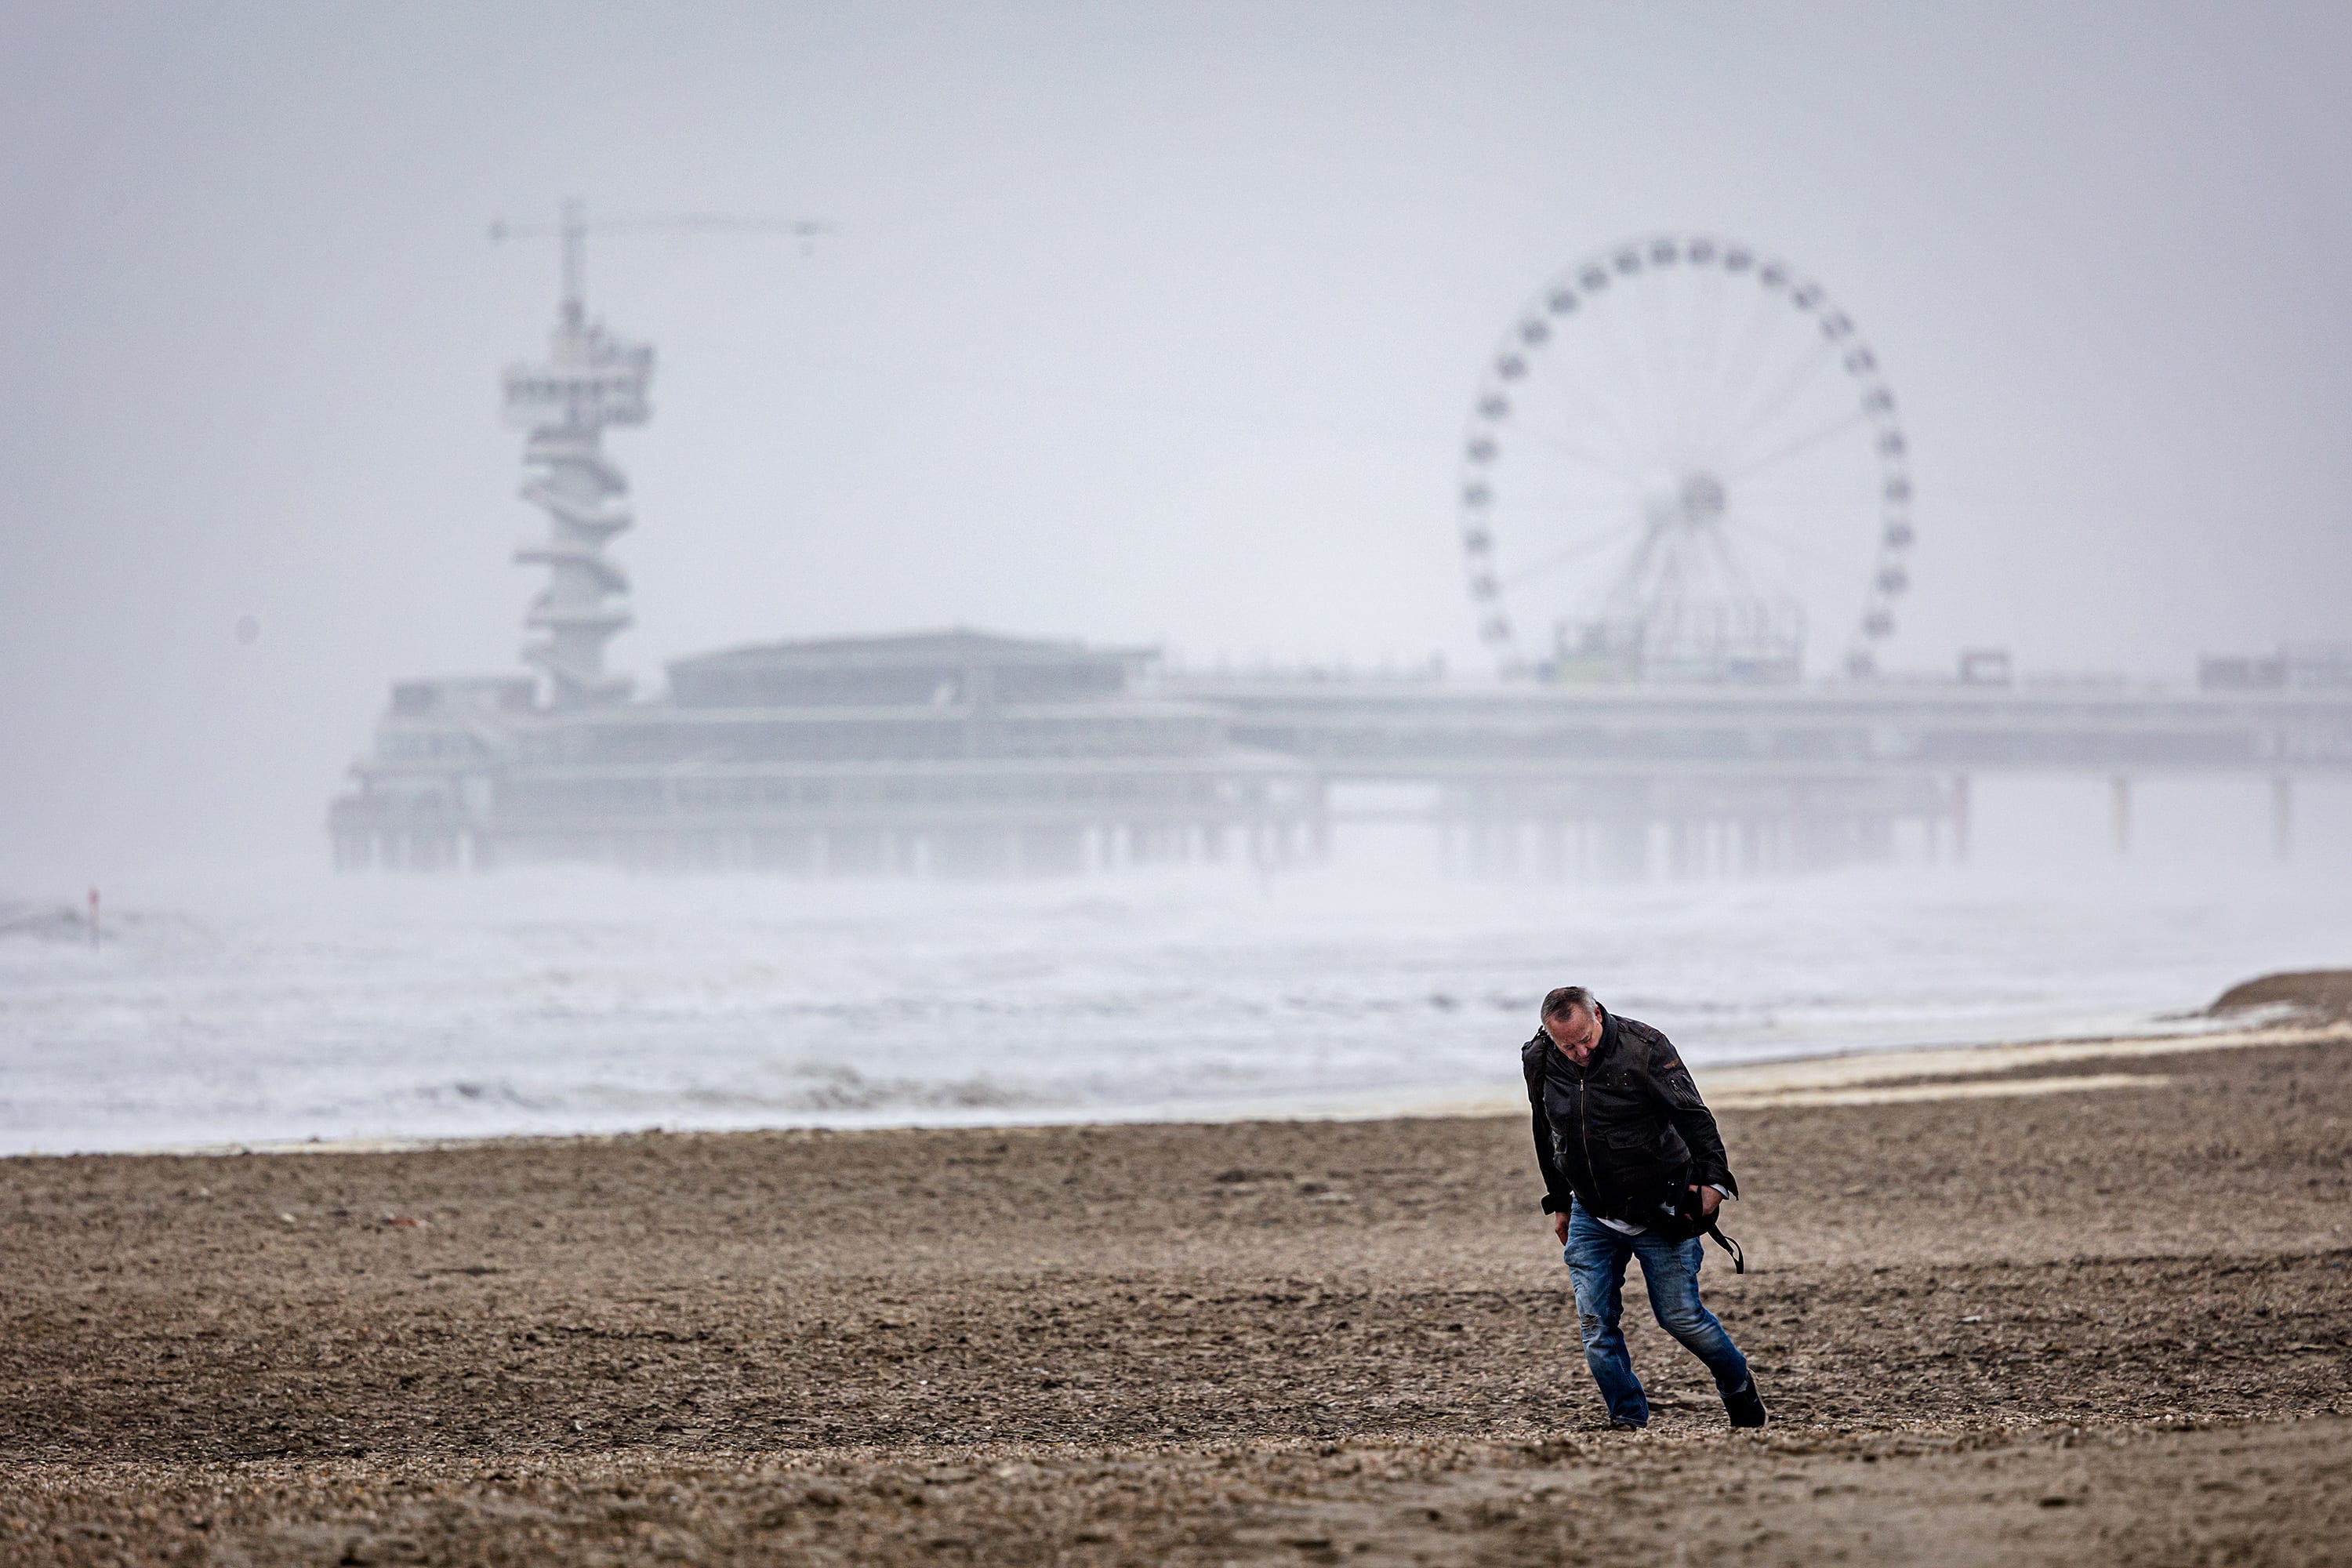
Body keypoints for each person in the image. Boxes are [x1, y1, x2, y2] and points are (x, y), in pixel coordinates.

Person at [1522, 984, 1767, 1430]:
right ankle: (1627, 1419)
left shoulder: (1645, 1048)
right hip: (1590, 1210)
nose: (1578, 1052)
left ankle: (1737, 1388)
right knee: (1596, 1324)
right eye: (1566, 1045)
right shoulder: (1538, 1058)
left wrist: (1714, 1182)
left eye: (1585, 1040)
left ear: (1597, 1014)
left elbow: (1693, 1115)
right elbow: (1547, 1131)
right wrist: (1559, 1201)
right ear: (1547, 1033)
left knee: (1680, 1319)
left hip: (1662, 1206)